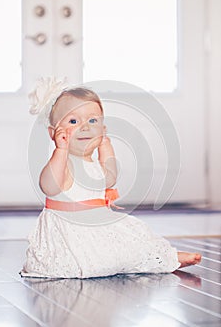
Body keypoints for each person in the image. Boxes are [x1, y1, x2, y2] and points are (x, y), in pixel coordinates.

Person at [21, 78, 201, 279]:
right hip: (70, 233)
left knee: (137, 240)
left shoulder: (94, 162)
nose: (85, 127)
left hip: (100, 225)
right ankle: (125, 261)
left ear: (102, 128)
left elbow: (110, 179)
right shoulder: (64, 163)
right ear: (53, 133)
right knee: (98, 259)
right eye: (73, 121)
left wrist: (105, 147)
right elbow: (49, 186)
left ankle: (168, 257)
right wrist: (60, 151)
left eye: (93, 121)